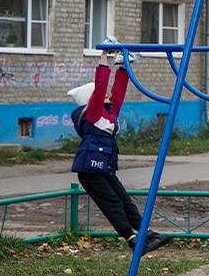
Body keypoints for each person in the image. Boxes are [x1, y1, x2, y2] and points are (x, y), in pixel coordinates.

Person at [68, 57, 171, 255]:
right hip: (89, 170)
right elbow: (100, 87)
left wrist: (124, 65)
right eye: (101, 95)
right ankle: (132, 240)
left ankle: (147, 234)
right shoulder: (93, 114)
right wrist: (104, 57)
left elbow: (118, 90)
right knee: (112, 203)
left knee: (124, 200)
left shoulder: (108, 112)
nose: (106, 95)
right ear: (92, 99)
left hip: (104, 167)